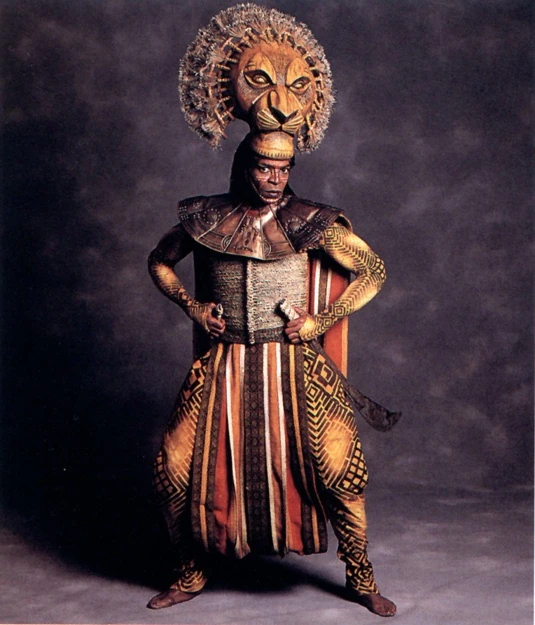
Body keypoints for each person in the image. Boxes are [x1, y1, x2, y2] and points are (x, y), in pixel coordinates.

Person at [147, 134, 397, 617]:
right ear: (245, 166)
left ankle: (361, 576)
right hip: (222, 364)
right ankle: (189, 571)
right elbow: (159, 261)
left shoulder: (312, 222)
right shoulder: (206, 218)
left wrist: (321, 321)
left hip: (296, 364)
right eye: (265, 168)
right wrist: (191, 306)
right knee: (172, 471)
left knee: (341, 471)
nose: (275, 179)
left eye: (284, 170)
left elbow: (372, 269)